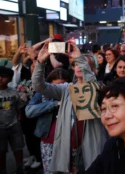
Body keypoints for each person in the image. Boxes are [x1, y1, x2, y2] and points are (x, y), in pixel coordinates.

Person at [32, 40, 108, 172]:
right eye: (75, 64)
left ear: (93, 69)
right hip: (69, 149)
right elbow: (38, 86)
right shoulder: (66, 89)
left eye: (84, 64)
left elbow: (91, 87)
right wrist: (40, 62)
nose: (78, 66)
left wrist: (79, 57)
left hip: (91, 148)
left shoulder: (100, 88)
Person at [25, 68, 72, 174]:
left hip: (68, 141)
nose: (60, 89)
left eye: (63, 85)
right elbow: (29, 111)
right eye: (56, 86)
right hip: (48, 140)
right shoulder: (42, 93)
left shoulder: (72, 92)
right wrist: (54, 104)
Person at [0, 67, 25, 174]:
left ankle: (20, 168)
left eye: (4, 77)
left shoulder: (13, 92)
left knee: (18, 148)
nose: (0, 78)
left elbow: (18, 107)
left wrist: (18, 119)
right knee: (1, 151)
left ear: (10, 79)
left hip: (14, 125)